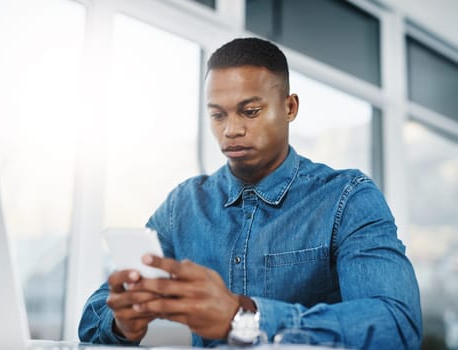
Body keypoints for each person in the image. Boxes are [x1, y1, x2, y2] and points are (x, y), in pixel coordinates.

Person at [78, 37, 422, 349]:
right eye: (217, 115)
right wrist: (123, 323)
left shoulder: (347, 199)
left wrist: (245, 317)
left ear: (289, 108)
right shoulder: (182, 206)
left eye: (250, 111)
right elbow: (94, 317)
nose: (231, 130)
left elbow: (397, 325)